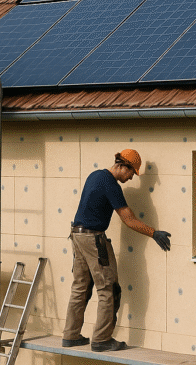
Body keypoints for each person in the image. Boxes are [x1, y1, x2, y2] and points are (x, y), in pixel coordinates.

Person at [62, 149, 171, 352]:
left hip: (77, 236)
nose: (131, 178)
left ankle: (71, 335)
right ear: (123, 166)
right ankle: (102, 340)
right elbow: (128, 220)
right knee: (108, 288)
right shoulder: (111, 185)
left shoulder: (95, 175)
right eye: (131, 173)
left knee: (80, 288)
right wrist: (153, 233)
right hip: (93, 239)